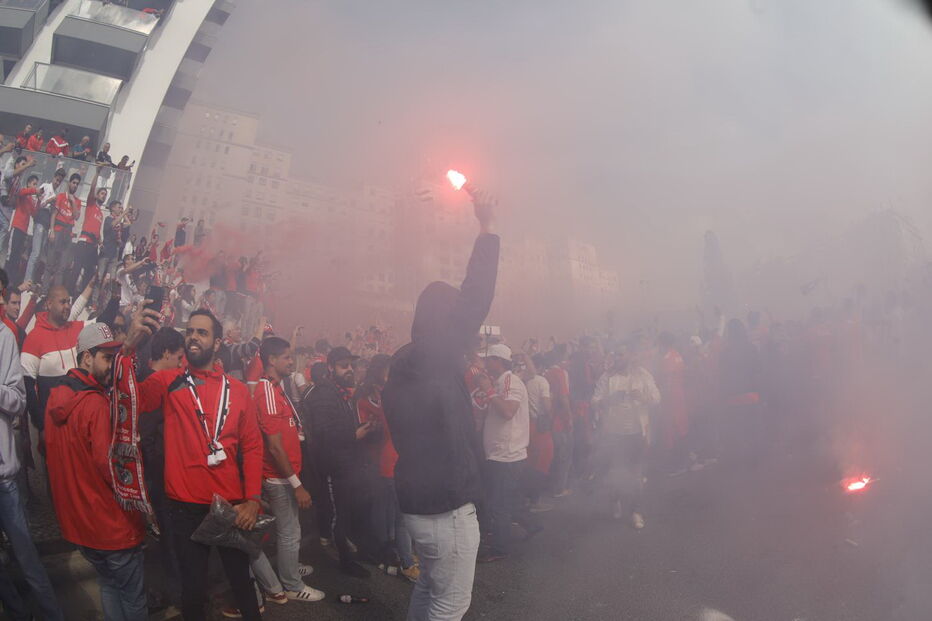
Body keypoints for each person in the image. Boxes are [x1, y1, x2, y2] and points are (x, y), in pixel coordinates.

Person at [382, 186, 497, 621]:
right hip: (445, 509)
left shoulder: (405, 366)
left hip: (419, 506)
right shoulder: (431, 358)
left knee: (430, 589)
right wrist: (486, 227)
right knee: (451, 604)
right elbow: (476, 298)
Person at [135, 309, 264, 621]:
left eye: (202, 332)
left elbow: (252, 445)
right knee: (192, 592)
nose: (193, 336)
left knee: (242, 584)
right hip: (184, 507)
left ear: (217, 343)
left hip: (230, 506)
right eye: (190, 331)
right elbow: (130, 397)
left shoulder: (235, 389)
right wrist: (130, 348)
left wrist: (253, 499)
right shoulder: (168, 381)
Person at [44, 321, 150, 621]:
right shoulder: (95, 406)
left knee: (108, 585)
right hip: (111, 526)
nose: (111, 365)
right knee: (132, 597)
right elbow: (111, 468)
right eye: (106, 358)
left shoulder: (56, 397)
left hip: (80, 526)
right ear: (86, 358)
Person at [233, 337, 324, 616]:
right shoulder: (267, 391)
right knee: (288, 532)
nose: (291, 362)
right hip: (280, 477)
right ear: (271, 360)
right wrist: (296, 484)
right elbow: (273, 445)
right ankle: (292, 584)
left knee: (290, 530)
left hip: (285, 475)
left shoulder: (275, 388)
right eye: (286, 357)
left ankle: (288, 566)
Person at [0, 318, 64, 621]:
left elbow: (18, 401)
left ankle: (51, 615)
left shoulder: (4, 337)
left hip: (3, 478)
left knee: (26, 556)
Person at [301, 345, 372, 578]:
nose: (350, 370)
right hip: (331, 466)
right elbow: (323, 433)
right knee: (336, 514)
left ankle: (346, 553)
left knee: (345, 512)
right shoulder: (324, 394)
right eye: (344, 366)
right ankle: (343, 560)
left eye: (351, 365)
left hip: (346, 464)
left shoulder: (341, 392)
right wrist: (354, 435)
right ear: (331, 368)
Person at [355, 353, 419, 582]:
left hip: (395, 458)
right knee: (402, 515)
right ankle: (406, 562)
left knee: (394, 512)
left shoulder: (392, 395)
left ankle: (395, 552)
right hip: (391, 461)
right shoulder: (390, 397)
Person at [477, 343, 539, 563]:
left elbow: (508, 411)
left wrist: (489, 390)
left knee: (498, 504)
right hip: (500, 453)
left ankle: (500, 548)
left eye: (488, 359)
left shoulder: (510, 381)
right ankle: (531, 526)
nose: (485, 364)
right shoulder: (501, 381)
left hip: (507, 454)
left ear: (498, 361)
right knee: (507, 499)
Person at [138, 326, 185, 607]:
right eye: (178, 357)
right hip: (163, 476)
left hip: (164, 475)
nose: (181, 363)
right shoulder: (154, 383)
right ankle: (181, 597)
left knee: (173, 540)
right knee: (172, 542)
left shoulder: (151, 378)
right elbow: (146, 435)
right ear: (166, 353)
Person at [591, 347, 660, 528]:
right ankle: (616, 501)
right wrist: (609, 400)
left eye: (621, 354)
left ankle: (636, 512)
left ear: (630, 355)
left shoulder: (642, 375)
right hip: (613, 434)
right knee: (615, 472)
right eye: (615, 354)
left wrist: (643, 397)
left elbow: (656, 398)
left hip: (637, 433)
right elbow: (595, 402)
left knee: (636, 474)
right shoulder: (607, 377)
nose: (617, 357)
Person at [21, 284, 92, 434]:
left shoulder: (75, 327)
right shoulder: (34, 338)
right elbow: (27, 386)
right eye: (62, 302)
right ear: (49, 304)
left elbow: (101, 324)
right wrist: (41, 425)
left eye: (68, 301)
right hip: (51, 426)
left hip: (78, 422)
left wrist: (114, 299)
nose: (67, 306)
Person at [515, 352, 554, 513]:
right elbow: (546, 405)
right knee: (542, 462)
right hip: (538, 426)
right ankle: (534, 500)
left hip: (524, 425)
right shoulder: (541, 381)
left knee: (528, 462)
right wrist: (551, 414)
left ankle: (524, 498)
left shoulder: (521, 380)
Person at [69, 167, 107, 295]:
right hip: (83, 242)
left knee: (89, 272)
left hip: (93, 245)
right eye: (102, 193)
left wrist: (100, 242)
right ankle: (69, 293)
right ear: (97, 196)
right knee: (76, 268)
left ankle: (79, 296)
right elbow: (92, 188)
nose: (104, 196)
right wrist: (97, 172)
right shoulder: (91, 204)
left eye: (105, 195)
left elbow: (97, 230)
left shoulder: (101, 214)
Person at [544, 345, 573, 497]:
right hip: (559, 420)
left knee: (554, 454)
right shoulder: (560, 373)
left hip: (549, 419)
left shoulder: (547, 372)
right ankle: (559, 489)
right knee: (564, 455)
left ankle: (550, 486)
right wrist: (569, 418)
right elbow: (563, 397)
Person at [27, 168, 64, 284]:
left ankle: (31, 279)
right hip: (40, 219)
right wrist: (49, 200)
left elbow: (53, 212)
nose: (57, 183)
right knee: (35, 253)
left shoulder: (56, 194)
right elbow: (40, 203)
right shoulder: (45, 186)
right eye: (57, 180)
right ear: (54, 177)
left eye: (60, 181)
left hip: (47, 223)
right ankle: (27, 279)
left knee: (39, 254)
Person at [47, 172, 83, 288]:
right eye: (74, 183)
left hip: (68, 232)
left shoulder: (77, 201)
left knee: (62, 267)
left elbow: (77, 217)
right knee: (50, 263)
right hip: (57, 229)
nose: (75, 185)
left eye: (77, 184)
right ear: (69, 183)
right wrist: (51, 230)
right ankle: (44, 290)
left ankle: (55, 293)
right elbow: (54, 213)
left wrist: (72, 202)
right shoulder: (61, 196)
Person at [7, 174, 42, 282]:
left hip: (23, 231)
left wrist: (39, 200)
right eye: (34, 184)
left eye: (36, 185)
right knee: (11, 255)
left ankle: (11, 281)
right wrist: (34, 190)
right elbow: (21, 192)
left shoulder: (31, 200)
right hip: (16, 227)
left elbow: (34, 213)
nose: (35, 187)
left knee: (17, 257)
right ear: (28, 183)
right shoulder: (23, 193)